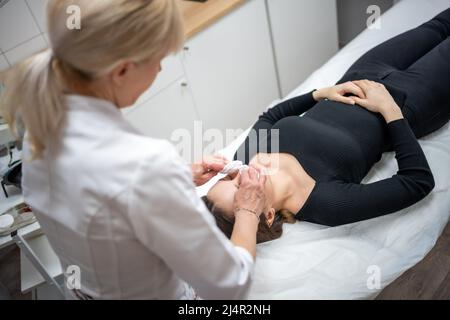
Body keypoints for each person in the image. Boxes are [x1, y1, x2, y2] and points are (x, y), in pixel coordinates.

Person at [0, 0, 268, 299]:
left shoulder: (38, 127)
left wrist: (179, 176)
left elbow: (104, 202)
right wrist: (248, 210)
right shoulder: (143, 166)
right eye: (159, 58)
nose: (160, 67)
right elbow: (230, 286)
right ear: (121, 70)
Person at [203, 9, 450, 244]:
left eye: (230, 177)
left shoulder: (246, 157)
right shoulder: (325, 203)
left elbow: (269, 116)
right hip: (412, 100)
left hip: (361, 75)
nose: (241, 173)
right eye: (240, 187)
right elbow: (417, 182)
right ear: (267, 214)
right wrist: (390, 110)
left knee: (438, 26)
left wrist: (321, 93)